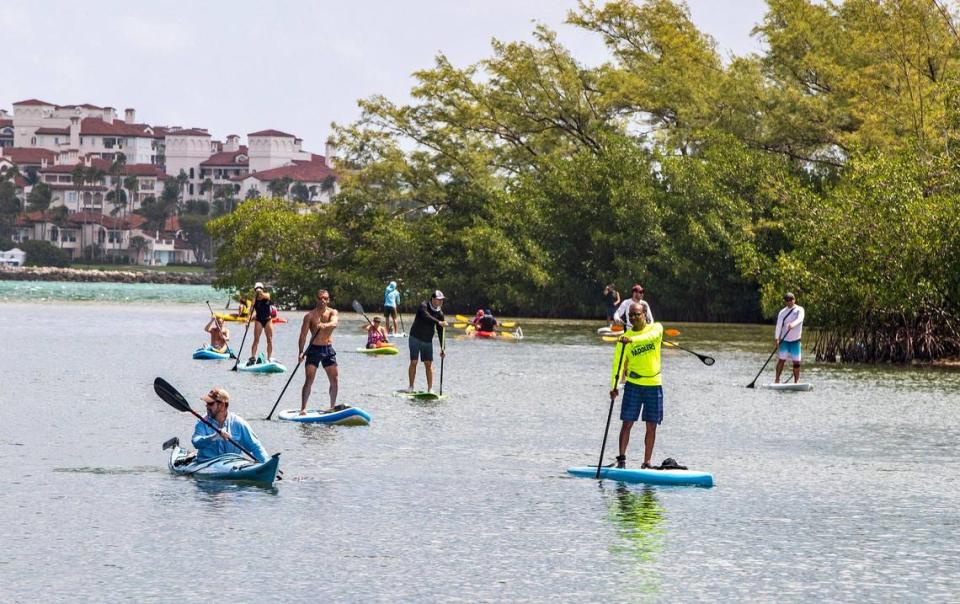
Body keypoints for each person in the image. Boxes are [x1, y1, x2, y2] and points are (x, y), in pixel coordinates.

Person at [609, 302, 664, 469]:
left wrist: (631, 339)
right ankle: (622, 460)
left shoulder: (656, 329)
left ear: (645, 314)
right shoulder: (623, 340)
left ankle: (647, 463)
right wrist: (614, 386)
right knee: (627, 423)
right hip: (633, 384)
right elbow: (617, 365)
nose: (633, 318)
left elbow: (649, 338)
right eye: (630, 315)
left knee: (651, 425)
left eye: (636, 314)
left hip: (653, 384)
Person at [192, 387, 269, 463]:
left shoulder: (239, 423)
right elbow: (196, 442)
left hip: (232, 465)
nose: (207, 406)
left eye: (210, 403)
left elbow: (256, 447)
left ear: (222, 406)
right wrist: (213, 437)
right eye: (207, 403)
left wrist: (266, 465)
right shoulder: (202, 421)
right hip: (206, 464)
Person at [298, 289, 339, 414]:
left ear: (328, 300)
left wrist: (324, 325)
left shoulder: (332, 312)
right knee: (309, 379)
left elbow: (334, 323)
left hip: (328, 348)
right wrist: (300, 352)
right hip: (313, 349)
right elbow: (303, 335)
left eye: (326, 298)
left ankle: (332, 406)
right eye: (321, 298)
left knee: (335, 379)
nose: (323, 301)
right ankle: (303, 408)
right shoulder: (309, 316)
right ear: (316, 299)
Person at [405, 290, 448, 393]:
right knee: (414, 362)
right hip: (415, 337)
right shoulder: (423, 306)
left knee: (428, 364)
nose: (441, 302)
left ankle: (430, 389)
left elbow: (441, 331)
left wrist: (443, 348)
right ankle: (411, 387)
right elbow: (426, 316)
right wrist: (439, 322)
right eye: (439, 300)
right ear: (433, 299)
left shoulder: (440, 313)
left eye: (442, 300)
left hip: (427, 340)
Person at [775, 292, 805, 384]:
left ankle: (796, 381)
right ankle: (777, 380)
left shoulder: (800, 309)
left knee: (796, 362)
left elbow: (800, 319)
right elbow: (779, 326)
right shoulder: (782, 312)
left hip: (796, 341)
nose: (788, 302)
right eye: (787, 300)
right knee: (782, 360)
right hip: (785, 340)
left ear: (794, 300)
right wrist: (777, 339)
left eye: (790, 300)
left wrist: (793, 324)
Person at [247, 282, 274, 365]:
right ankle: (253, 357)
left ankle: (269, 358)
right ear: (255, 290)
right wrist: (247, 321)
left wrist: (260, 293)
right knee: (256, 339)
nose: (258, 290)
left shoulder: (267, 295)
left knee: (269, 340)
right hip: (258, 320)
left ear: (262, 289)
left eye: (260, 288)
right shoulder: (254, 300)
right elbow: (250, 311)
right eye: (257, 289)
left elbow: (266, 296)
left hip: (268, 320)